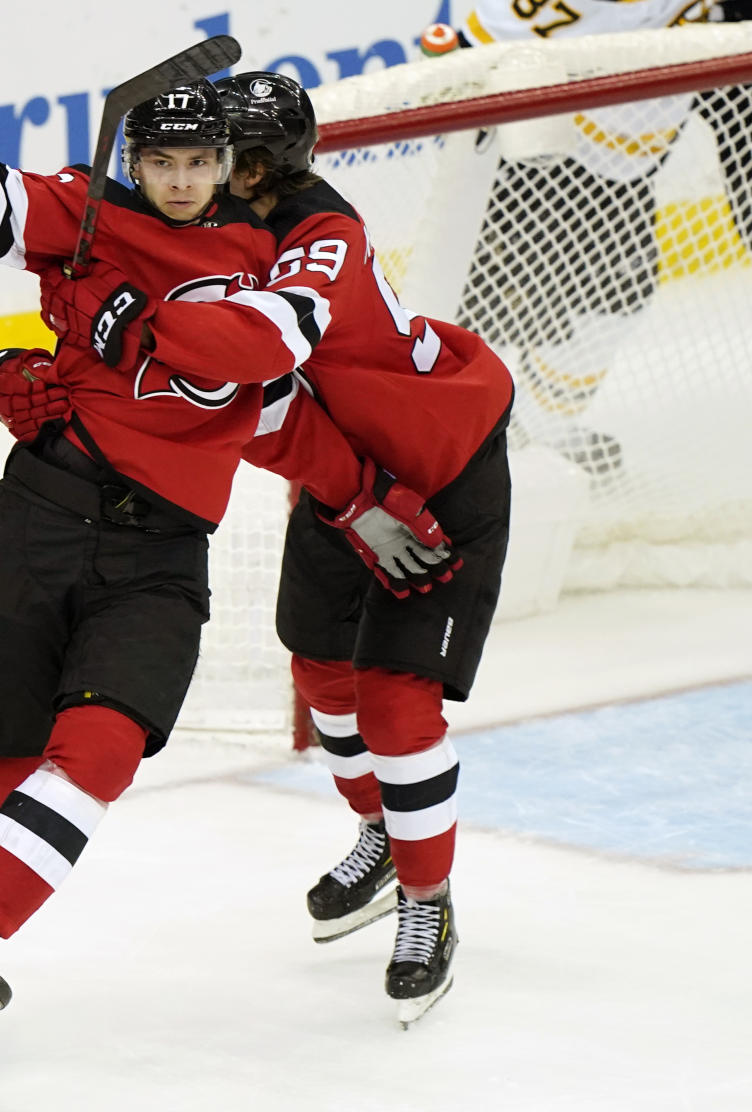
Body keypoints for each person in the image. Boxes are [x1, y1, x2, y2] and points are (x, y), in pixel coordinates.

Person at [0, 0, 451, 1067]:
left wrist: (126, 322)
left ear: (226, 164)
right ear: (137, 161)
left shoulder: (275, 253)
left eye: (198, 162)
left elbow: (259, 379)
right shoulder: (82, 219)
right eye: (161, 163)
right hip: (36, 517)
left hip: (158, 557)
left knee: (104, 746)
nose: (180, 180)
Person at [28, 70, 514, 1027]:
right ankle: (383, 831)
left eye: (234, 160)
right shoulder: (226, 231)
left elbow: (249, 361)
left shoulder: (318, 239)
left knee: (395, 703)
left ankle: (429, 903)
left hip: (441, 466)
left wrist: (116, 311)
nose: (215, 175)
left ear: (270, 168)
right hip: (350, 476)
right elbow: (238, 406)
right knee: (322, 673)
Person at [452, 0, 752, 471]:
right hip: (550, 158)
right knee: (492, 311)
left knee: (614, 304)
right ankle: (461, 450)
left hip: (630, 155)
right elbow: (478, 43)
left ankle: (536, 434)